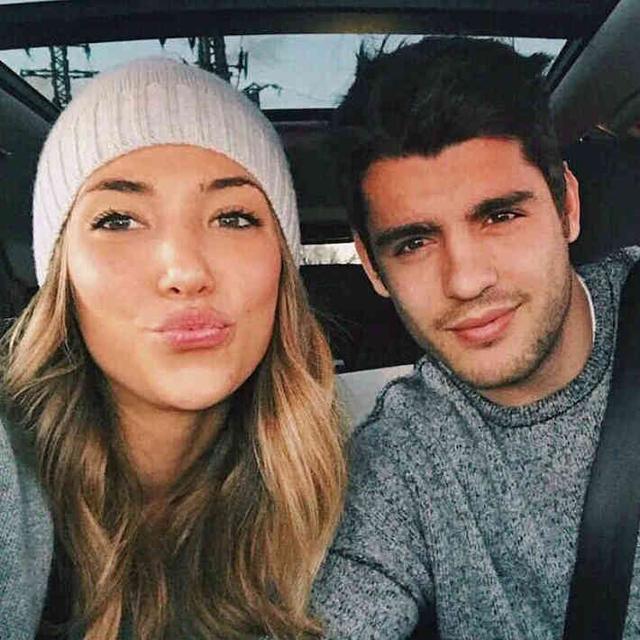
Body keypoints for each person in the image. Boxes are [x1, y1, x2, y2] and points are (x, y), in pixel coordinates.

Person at [0, 57, 346, 640]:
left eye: (233, 218)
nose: (185, 271)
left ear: (282, 267)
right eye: (118, 220)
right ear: (60, 273)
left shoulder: (346, 494)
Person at [311, 37, 640, 639]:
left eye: (500, 216)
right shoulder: (400, 460)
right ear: (372, 266)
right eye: (414, 243)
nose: (465, 280)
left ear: (567, 206)